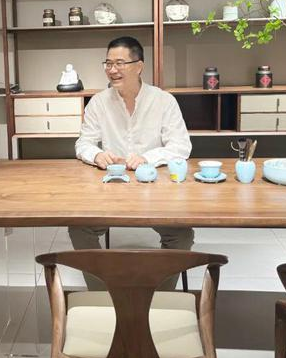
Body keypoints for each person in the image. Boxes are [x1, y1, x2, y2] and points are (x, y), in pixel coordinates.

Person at [71, 36, 194, 291]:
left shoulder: (163, 101)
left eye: (120, 63)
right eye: (108, 63)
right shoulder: (98, 102)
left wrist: (148, 158)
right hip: (111, 189)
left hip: (155, 192)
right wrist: (97, 155)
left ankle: (162, 295)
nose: (112, 70)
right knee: (79, 228)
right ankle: (100, 293)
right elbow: (83, 143)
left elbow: (181, 146)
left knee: (181, 234)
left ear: (139, 66)